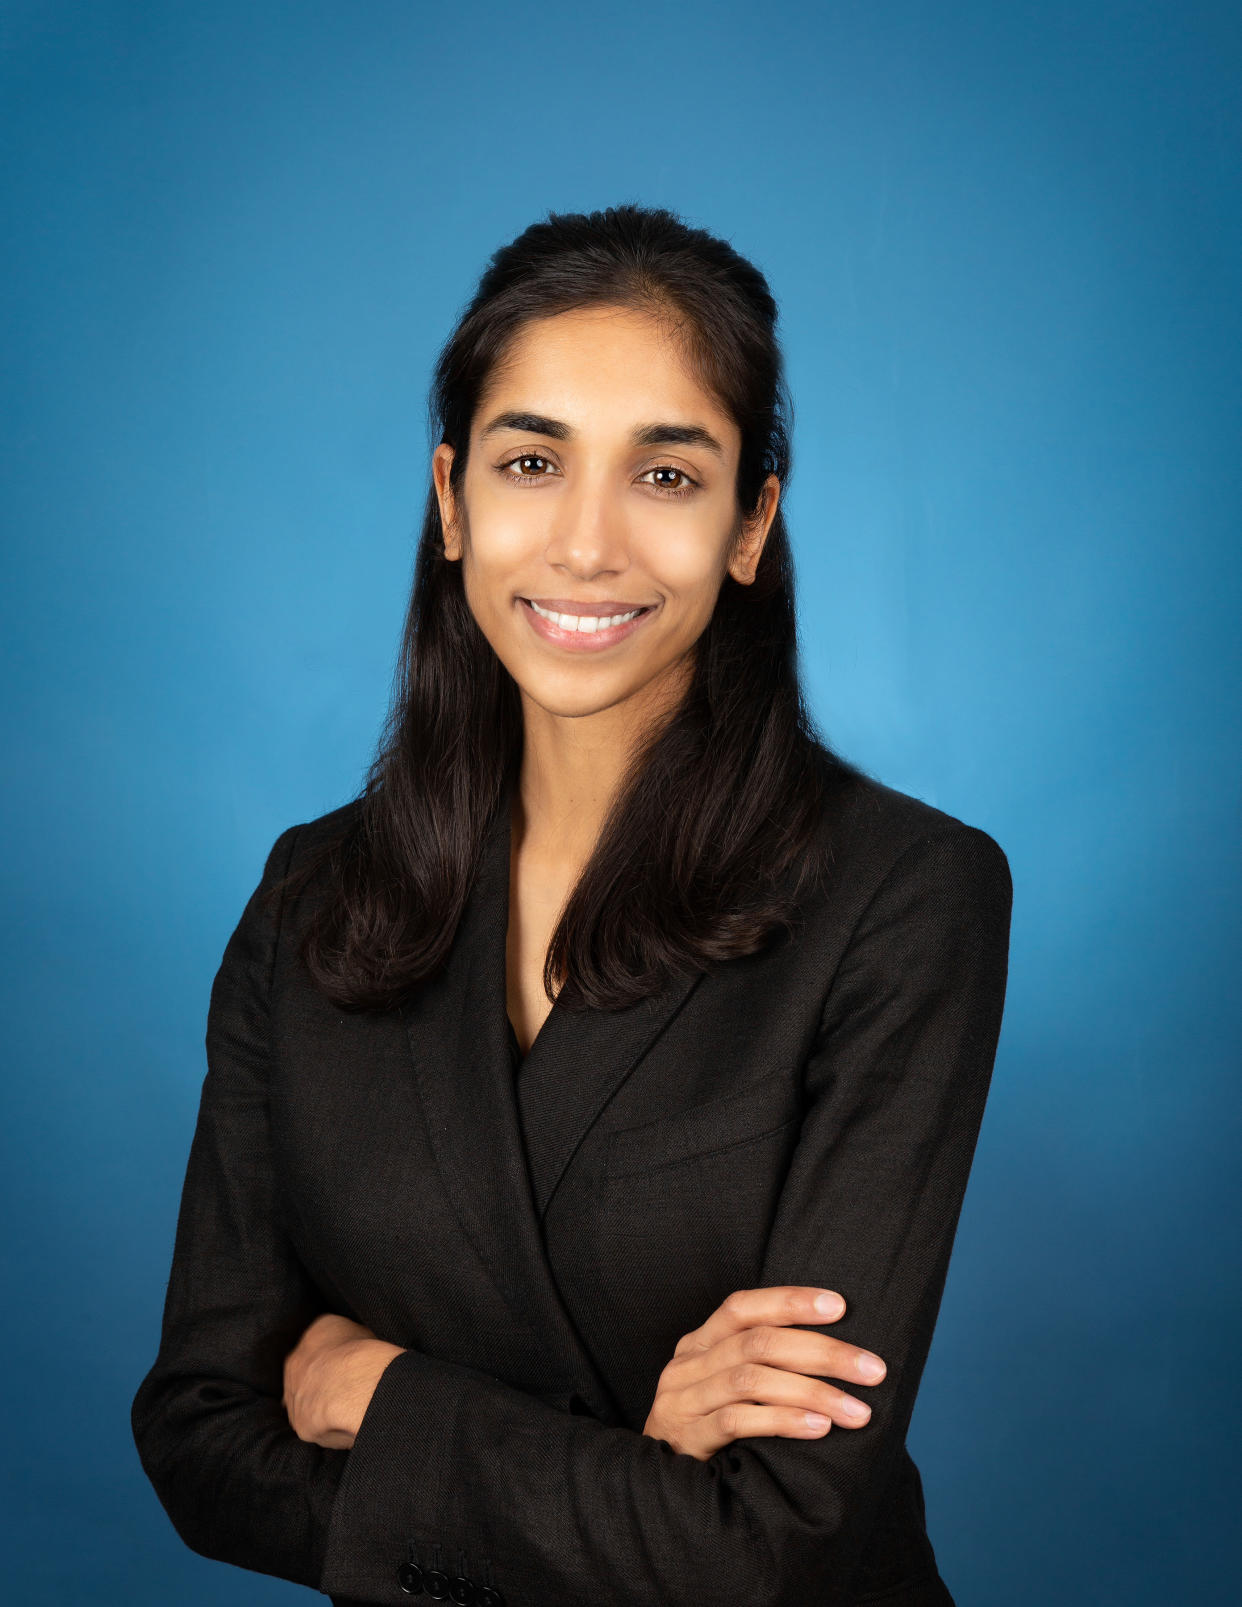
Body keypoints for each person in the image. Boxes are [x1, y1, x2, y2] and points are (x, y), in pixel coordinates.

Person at [131, 203, 1012, 1607]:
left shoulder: (905, 896)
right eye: (531, 461)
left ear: (748, 524)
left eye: (666, 475)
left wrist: (386, 1392)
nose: (588, 545)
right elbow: (197, 1442)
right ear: (450, 501)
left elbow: (771, 1546)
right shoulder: (313, 893)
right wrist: (639, 1472)